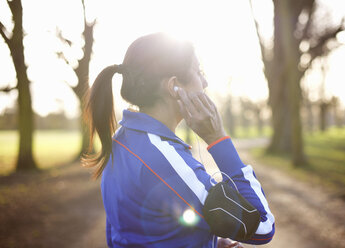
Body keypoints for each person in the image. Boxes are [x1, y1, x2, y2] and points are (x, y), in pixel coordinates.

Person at [83, 33, 275, 248]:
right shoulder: (161, 158)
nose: (205, 82)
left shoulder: (121, 139)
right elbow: (262, 227)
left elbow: (132, 232)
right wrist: (218, 138)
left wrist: (209, 242)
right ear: (174, 86)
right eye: (199, 71)